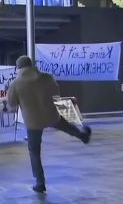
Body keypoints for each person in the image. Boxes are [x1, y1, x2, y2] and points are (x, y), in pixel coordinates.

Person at [7, 55, 92, 194]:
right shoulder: (47, 77)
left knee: (34, 152)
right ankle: (82, 136)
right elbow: (56, 95)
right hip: (51, 115)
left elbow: (11, 106)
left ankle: (40, 183)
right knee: (66, 126)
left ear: (18, 68)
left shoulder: (15, 83)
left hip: (33, 121)